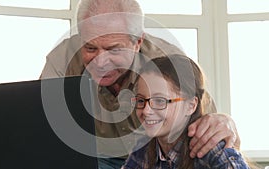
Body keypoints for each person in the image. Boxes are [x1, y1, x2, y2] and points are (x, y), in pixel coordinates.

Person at [40, 0, 240, 168]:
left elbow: (208, 122)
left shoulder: (165, 61)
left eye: (114, 49)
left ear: (137, 43)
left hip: (153, 158)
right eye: (90, 47)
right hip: (93, 157)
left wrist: (224, 122)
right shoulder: (62, 59)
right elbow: (39, 123)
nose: (100, 62)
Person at [122, 55, 252, 169]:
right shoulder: (143, 148)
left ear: (191, 105)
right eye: (140, 100)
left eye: (160, 101)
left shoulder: (212, 148)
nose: (146, 110)